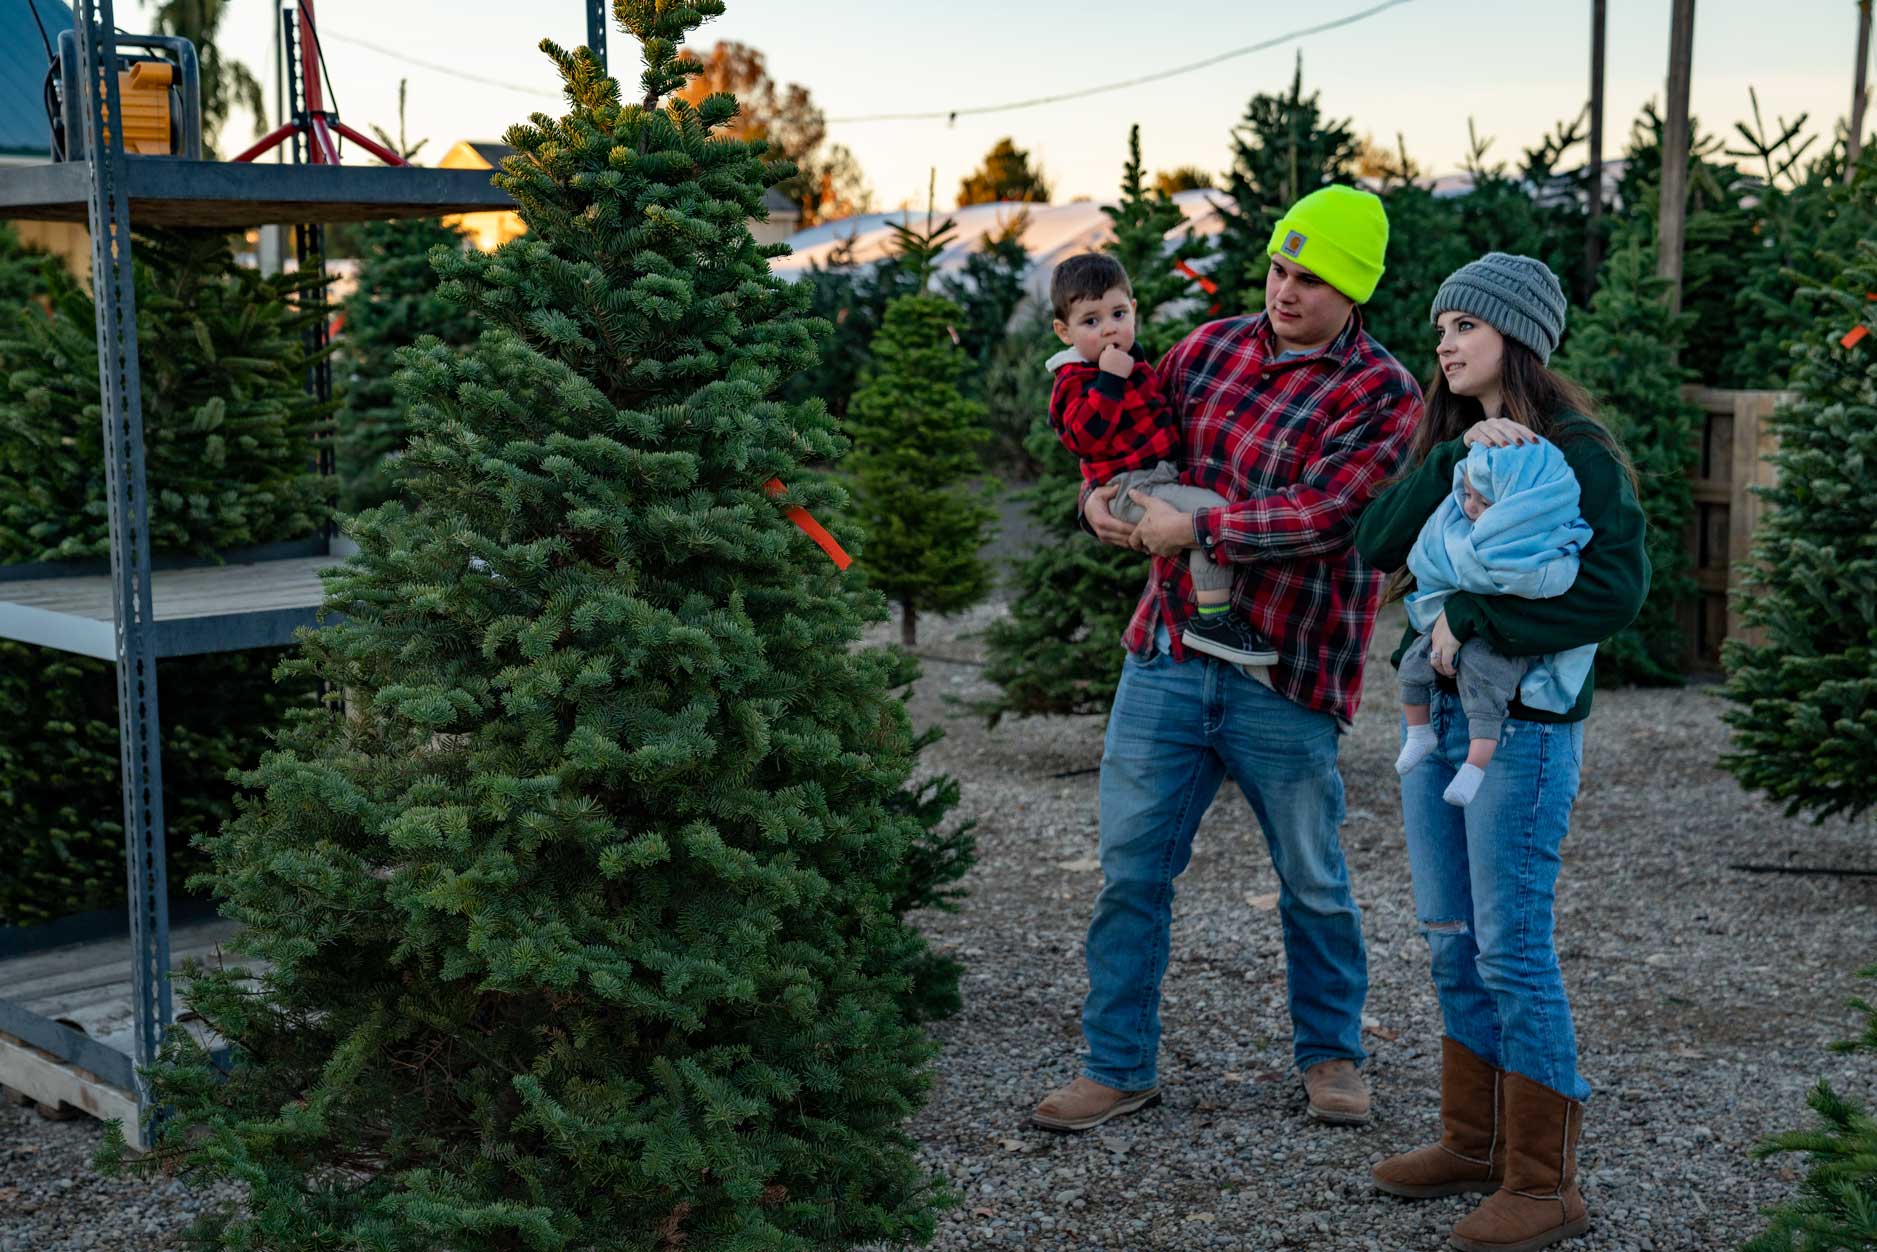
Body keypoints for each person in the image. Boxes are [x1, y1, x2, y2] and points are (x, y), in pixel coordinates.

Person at [1030, 185, 1421, 1133]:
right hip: (1165, 653)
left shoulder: (1385, 395)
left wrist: (1194, 525)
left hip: (1285, 672)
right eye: (1279, 269)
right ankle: (1117, 1065)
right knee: (1130, 871)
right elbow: (1120, 434)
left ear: (1353, 288)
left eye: (1310, 278)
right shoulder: (1203, 349)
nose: (1284, 291)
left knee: (1312, 876)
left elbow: (1330, 515)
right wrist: (1100, 502)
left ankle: (1331, 1056)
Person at [1354, 253, 1649, 1252]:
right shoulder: (1446, 439)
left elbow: (1615, 589)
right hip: (1434, 724)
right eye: (1438, 328)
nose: (1442, 343)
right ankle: (1471, 1142)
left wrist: (1475, 616)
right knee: (1447, 935)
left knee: (1509, 946)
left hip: (1521, 731)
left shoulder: (1575, 452)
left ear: (1514, 336)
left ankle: (1543, 1179)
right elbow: (1374, 543)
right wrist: (1446, 460)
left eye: (1463, 327)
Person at [1045, 251, 1275, 665]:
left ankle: (1213, 612)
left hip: (1159, 475)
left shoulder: (1139, 362)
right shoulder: (1075, 379)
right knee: (1210, 515)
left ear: (1133, 310)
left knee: (1210, 512)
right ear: (1064, 332)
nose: (1109, 329)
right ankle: (1213, 619)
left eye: (1117, 314)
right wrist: (1110, 381)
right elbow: (1084, 438)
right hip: (1133, 486)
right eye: (1091, 322)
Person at [1394, 438, 1596, 807]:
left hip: (1500, 645)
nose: (1469, 507)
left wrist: (1471, 604)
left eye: (1484, 503)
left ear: (1517, 508)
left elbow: (1545, 580)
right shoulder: (1457, 522)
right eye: (1467, 494)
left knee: (1486, 688)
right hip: (1440, 636)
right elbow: (1427, 555)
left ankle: (1474, 767)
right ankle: (1419, 732)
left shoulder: (1543, 542)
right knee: (1411, 665)